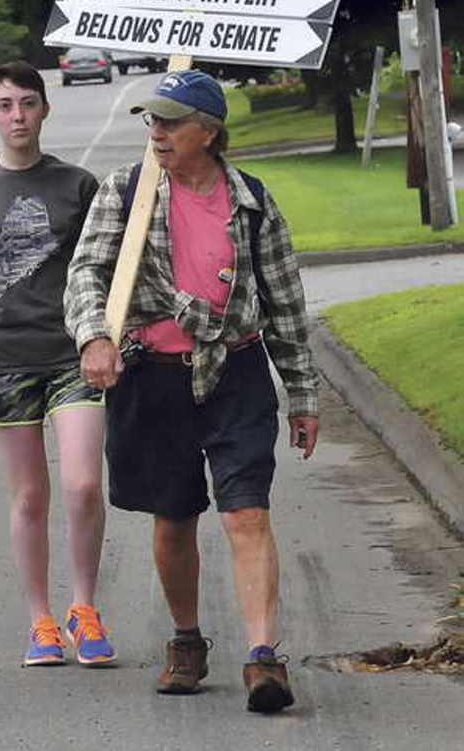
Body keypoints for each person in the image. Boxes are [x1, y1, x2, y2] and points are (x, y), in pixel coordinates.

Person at [65, 69, 319, 713]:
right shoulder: (126, 192)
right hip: (152, 376)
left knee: (246, 511)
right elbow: (87, 274)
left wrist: (303, 394)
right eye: (151, 121)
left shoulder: (253, 203)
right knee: (173, 516)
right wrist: (96, 337)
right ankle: (187, 639)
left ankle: (264, 658)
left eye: (170, 122)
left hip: (235, 372)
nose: (157, 132)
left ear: (208, 132)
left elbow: (285, 305)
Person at [0, 60, 116, 668]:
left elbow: (101, 270)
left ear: (45, 109)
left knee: (84, 484)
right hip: (3, 362)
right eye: (6, 105)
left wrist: (106, 339)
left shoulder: (78, 186)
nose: (18, 116)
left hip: (72, 357)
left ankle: (84, 608)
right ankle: (40, 619)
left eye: (28, 103)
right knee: (30, 497)